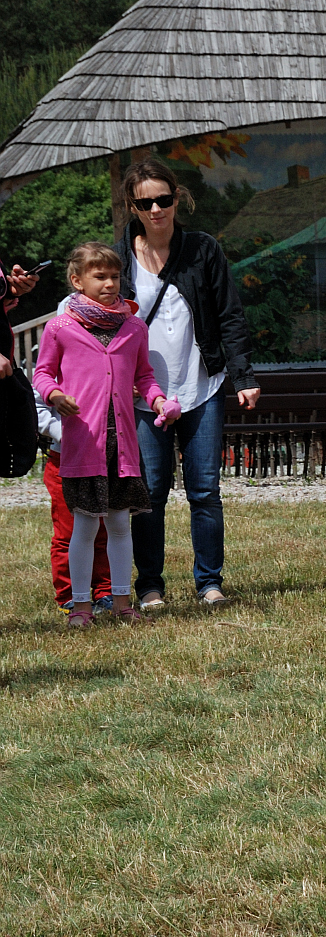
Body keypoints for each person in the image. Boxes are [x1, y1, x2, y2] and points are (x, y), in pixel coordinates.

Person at [115, 158, 260, 609]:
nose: (156, 209)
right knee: (151, 492)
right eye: (146, 202)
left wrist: (243, 375)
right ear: (132, 206)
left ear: (177, 199)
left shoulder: (202, 250)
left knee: (204, 489)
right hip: (143, 395)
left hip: (202, 385)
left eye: (164, 199)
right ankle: (150, 586)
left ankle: (209, 583)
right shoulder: (117, 258)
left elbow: (229, 315)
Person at [32, 243, 179, 627]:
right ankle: (80, 606)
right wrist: (55, 395)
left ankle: (120, 602)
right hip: (84, 443)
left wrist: (159, 401)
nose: (110, 283)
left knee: (117, 524)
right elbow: (42, 374)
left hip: (122, 445)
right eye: (100, 276)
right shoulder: (60, 327)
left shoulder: (133, 327)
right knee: (83, 525)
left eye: (114, 276)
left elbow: (144, 376)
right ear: (76, 280)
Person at [37, 369, 111, 613]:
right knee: (67, 531)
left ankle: (104, 591)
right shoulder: (51, 368)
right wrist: (62, 434)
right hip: (64, 458)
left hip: (102, 455)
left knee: (102, 528)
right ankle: (68, 594)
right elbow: (36, 407)